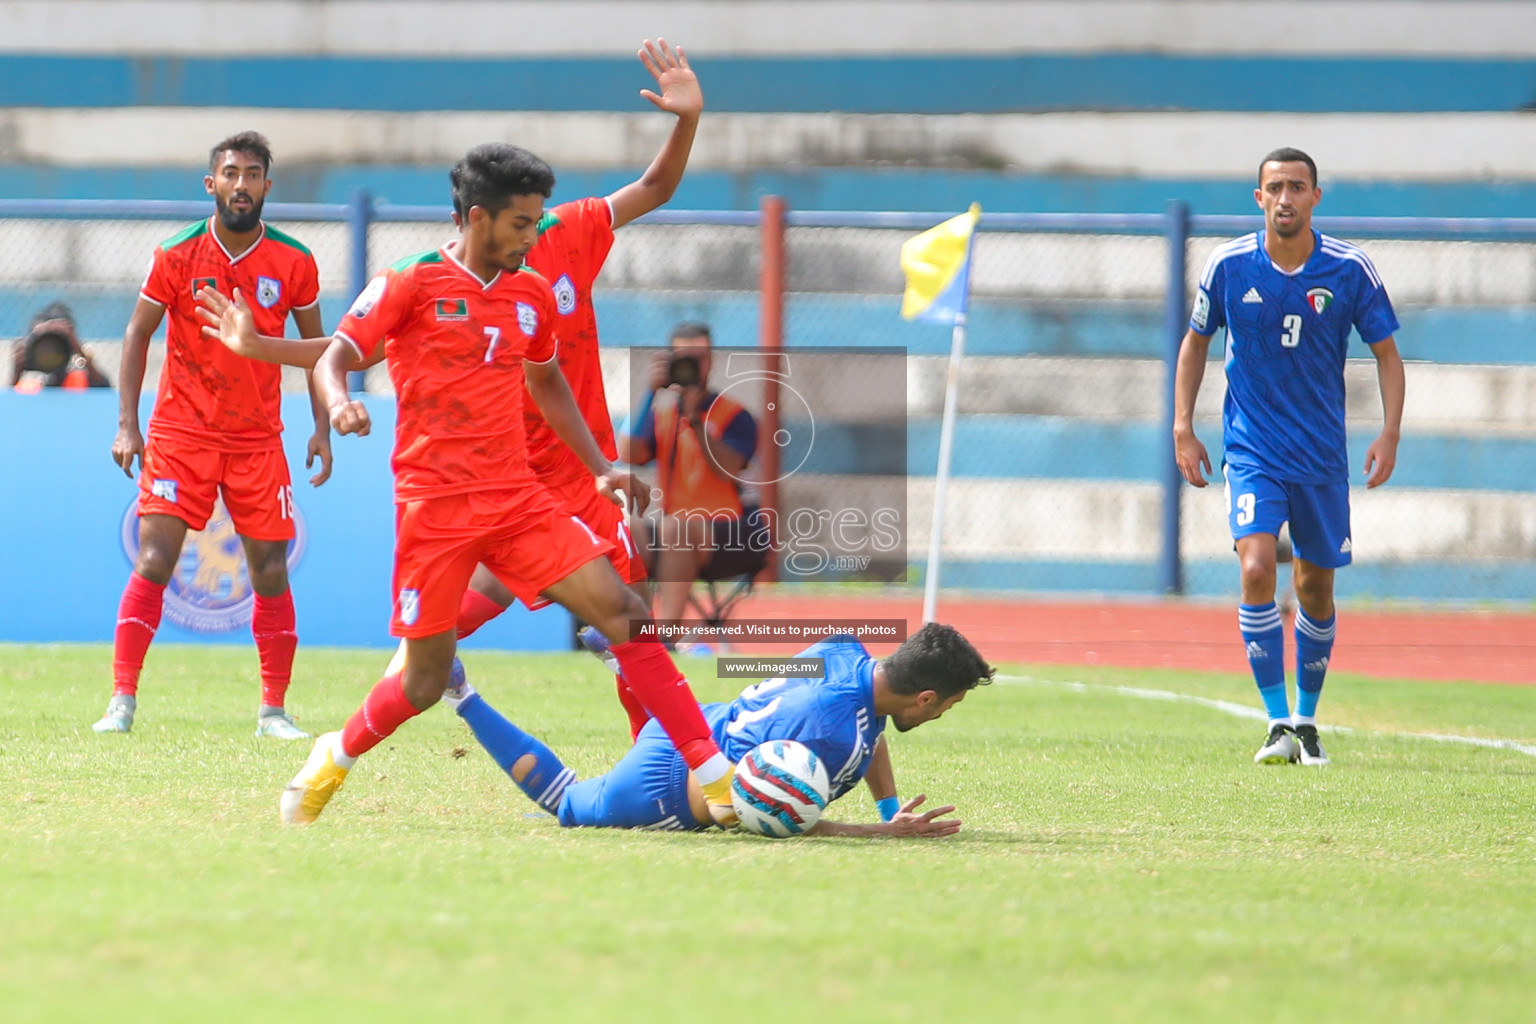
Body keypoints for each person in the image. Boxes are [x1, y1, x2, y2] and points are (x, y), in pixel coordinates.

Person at [205, 142, 740, 827]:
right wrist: (339, 402)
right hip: (435, 512)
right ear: (479, 218)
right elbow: (339, 351)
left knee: (625, 614)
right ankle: (334, 754)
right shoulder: (412, 280)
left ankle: (711, 770)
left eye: (539, 220)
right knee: (424, 682)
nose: (532, 235)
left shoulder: (532, 293)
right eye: (521, 223)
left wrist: (601, 467)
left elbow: (547, 383)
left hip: (518, 501)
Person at [1172, 146, 1405, 767]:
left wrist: (1389, 433)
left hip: (1322, 455)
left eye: (1296, 187)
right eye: (1274, 187)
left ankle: (1306, 720)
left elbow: (1387, 353)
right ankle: (1276, 723)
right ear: (1258, 198)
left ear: (1314, 197)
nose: (1285, 198)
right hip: (1252, 448)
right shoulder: (1228, 265)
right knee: (1255, 567)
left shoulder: (1350, 268)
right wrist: (1182, 428)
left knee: (1314, 587)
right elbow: (1194, 344)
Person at [96, 131, 331, 738]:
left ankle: (273, 712)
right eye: (231, 174)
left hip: (257, 439)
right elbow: (135, 333)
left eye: (253, 175)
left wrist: (323, 427)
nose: (241, 185)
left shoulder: (294, 261)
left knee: (270, 571)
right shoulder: (175, 254)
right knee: (154, 559)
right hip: (182, 433)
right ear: (212, 184)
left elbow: (318, 352)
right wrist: (128, 425)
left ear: (266, 187)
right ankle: (121, 702)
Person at [446, 622, 992, 835]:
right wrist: (886, 834)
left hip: (695, 720)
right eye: (949, 704)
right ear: (924, 696)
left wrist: (887, 807)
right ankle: (460, 694)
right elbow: (768, 815)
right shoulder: (831, 735)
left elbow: (868, 728)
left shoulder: (847, 649)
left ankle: (629, 669)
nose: (943, 714)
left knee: (663, 722)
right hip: (673, 789)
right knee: (567, 804)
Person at [620, 321, 761, 646]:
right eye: (685, 357)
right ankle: (628, 632)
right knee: (628, 531)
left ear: (711, 361)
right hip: (675, 529)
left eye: (700, 357)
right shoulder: (662, 414)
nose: (693, 365)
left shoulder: (735, 415)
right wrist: (649, 393)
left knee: (675, 529)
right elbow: (629, 452)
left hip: (734, 530)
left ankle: (663, 641)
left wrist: (696, 422)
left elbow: (729, 469)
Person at [9, 302, 111, 391]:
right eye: (44, 346)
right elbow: (6, 408)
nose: (49, 353)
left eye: (56, 346)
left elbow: (105, 393)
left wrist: (80, 351)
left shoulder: (79, 383)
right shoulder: (28, 388)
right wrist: (16, 375)